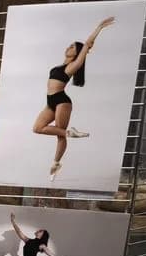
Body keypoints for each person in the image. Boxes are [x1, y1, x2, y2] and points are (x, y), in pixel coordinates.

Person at [32, 17, 114, 180]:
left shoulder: (73, 66)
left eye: (72, 46)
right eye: (69, 45)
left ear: (76, 52)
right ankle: (71, 135)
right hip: (50, 102)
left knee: (60, 136)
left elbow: (87, 45)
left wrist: (99, 27)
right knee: (37, 128)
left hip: (62, 101)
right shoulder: (60, 65)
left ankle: (55, 163)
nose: (68, 47)